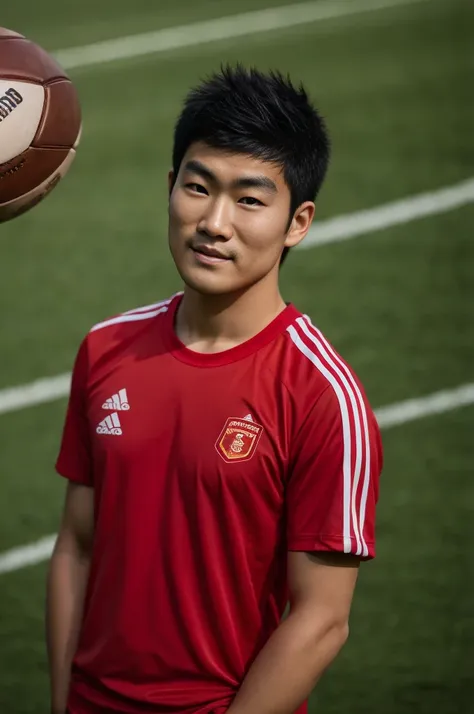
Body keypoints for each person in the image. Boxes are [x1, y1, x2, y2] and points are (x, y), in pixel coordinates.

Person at [46, 65, 383, 714]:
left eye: (250, 199)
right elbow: (76, 547)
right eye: (198, 188)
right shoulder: (105, 349)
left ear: (298, 221)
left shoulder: (324, 396)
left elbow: (320, 621)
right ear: (170, 187)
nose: (215, 222)